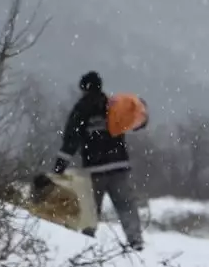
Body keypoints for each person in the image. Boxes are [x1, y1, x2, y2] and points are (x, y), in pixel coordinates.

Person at [47, 70, 145, 251]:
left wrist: (59, 168)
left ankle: (86, 244)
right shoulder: (114, 105)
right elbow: (137, 120)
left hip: (94, 170)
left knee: (90, 211)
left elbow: (71, 141)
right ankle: (135, 241)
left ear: (83, 89)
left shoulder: (81, 110)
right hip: (119, 167)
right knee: (126, 206)